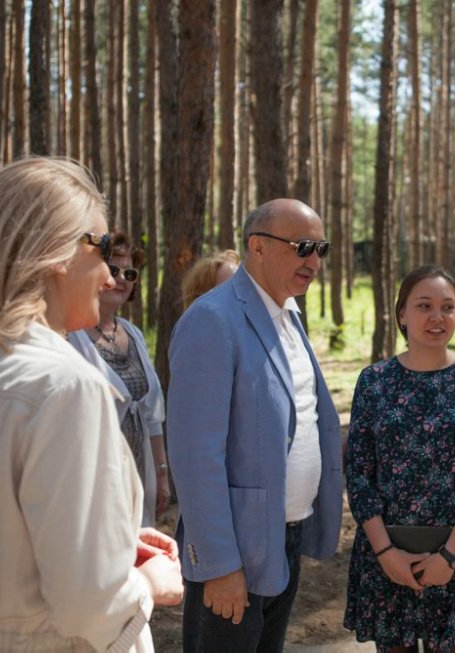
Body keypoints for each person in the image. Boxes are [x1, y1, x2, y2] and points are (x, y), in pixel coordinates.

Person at [0, 157, 183, 651]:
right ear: (56, 252)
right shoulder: (65, 387)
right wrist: (149, 583)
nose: (109, 276)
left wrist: (114, 543)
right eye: (101, 247)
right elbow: (90, 606)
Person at [168, 198, 343, 652]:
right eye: (303, 246)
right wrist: (220, 565)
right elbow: (194, 456)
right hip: (236, 554)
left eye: (321, 249)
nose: (314, 261)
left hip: (283, 537)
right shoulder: (213, 319)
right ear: (258, 247)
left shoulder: (286, 314)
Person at [344, 265, 455, 653]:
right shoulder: (374, 381)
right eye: (424, 306)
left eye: (448, 307)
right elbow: (359, 472)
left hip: (454, 560)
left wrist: (449, 556)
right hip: (386, 556)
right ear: (402, 314)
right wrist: (385, 553)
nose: (438, 317)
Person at [69, 233, 169, 527]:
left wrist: (161, 474)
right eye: (113, 269)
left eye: (130, 272)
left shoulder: (134, 334)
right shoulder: (71, 336)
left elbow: (153, 414)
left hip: (141, 474)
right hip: (96, 479)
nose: (122, 278)